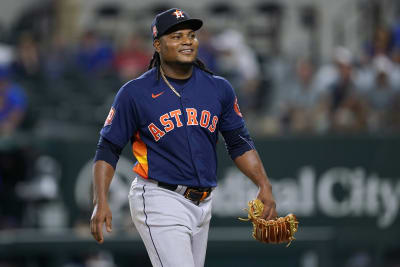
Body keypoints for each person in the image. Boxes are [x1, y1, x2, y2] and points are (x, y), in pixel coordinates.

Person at [90, 8, 277, 267]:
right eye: (176, 36)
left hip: (203, 203)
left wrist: (263, 184)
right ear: (157, 45)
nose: (187, 41)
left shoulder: (218, 88)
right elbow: (107, 149)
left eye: (191, 35)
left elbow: (239, 142)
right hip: (158, 197)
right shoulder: (135, 93)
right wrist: (101, 202)